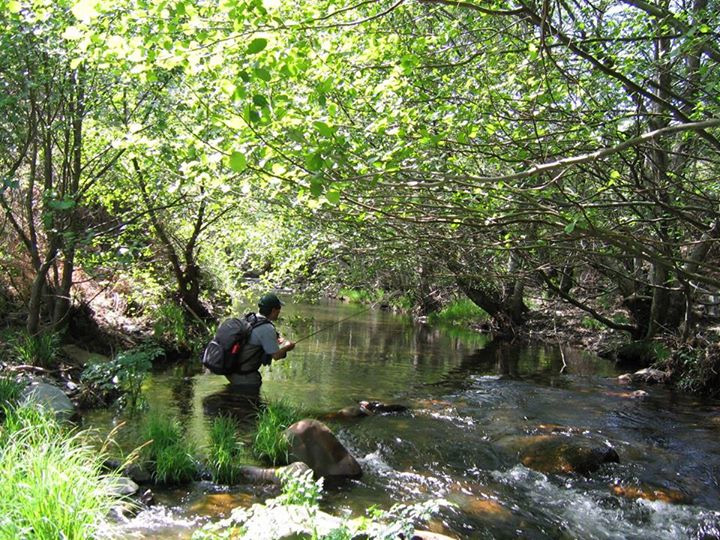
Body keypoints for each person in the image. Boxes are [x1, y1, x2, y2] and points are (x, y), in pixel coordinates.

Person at [226, 292, 296, 387]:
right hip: (244, 376)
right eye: (279, 308)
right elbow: (276, 356)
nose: (280, 311)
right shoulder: (267, 328)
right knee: (251, 397)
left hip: (231, 369)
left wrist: (280, 340)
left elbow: (266, 337)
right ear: (273, 310)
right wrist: (288, 347)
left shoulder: (251, 318)